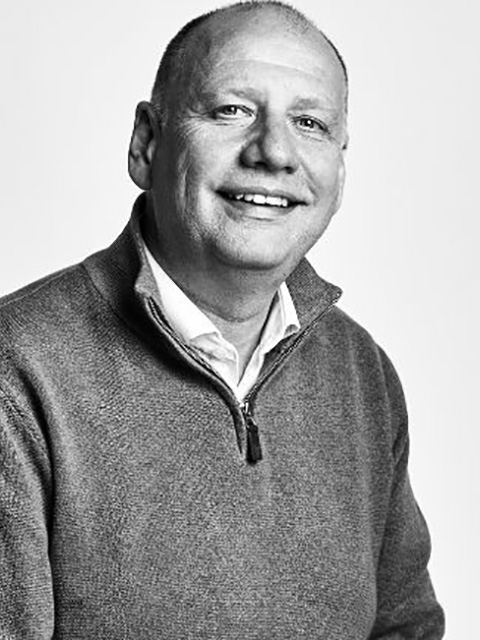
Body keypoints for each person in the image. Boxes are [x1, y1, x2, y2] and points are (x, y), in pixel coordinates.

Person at [0, 1, 445, 638]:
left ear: (340, 169)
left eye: (311, 122)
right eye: (232, 109)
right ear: (146, 144)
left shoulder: (361, 373)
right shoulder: (17, 371)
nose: (274, 152)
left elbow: (407, 627)